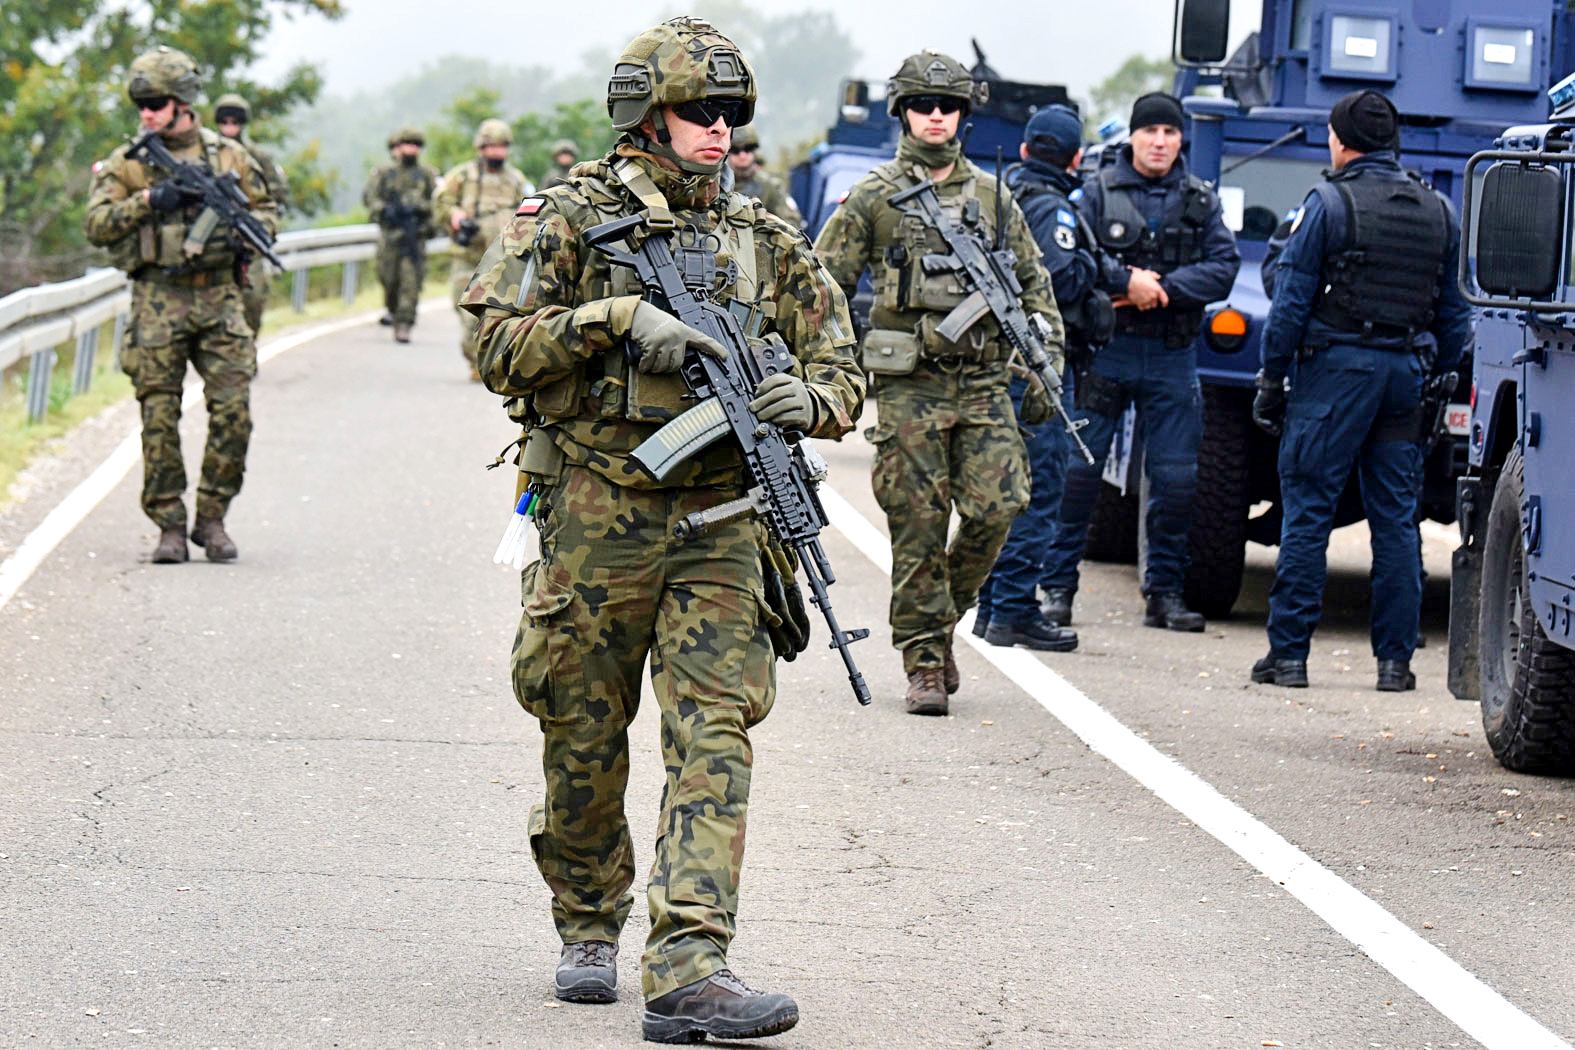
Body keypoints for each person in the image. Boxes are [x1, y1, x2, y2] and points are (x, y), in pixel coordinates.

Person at [460, 17, 862, 1043]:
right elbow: (492, 347)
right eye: (699, 110)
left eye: (733, 112)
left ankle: (690, 964)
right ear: (645, 113)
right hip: (595, 514)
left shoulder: (766, 239)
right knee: (582, 733)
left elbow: (842, 367)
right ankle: (590, 920)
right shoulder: (568, 217)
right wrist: (609, 322)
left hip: (723, 523)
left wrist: (810, 403)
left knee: (714, 733)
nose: (720, 128)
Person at [814, 49, 1063, 714]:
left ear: (962, 115)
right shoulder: (873, 196)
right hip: (909, 387)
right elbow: (821, 289)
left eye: (947, 106)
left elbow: (1033, 287)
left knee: (999, 507)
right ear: (902, 112)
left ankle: (939, 620)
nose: (935, 116)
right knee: (917, 525)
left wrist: (1049, 362)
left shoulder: (993, 197)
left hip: (982, 383)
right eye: (922, 105)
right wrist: (829, 367)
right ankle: (923, 661)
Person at [1249, 89, 1470, 691]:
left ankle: (1288, 656)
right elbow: (1455, 316)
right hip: (1406, 376)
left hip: (1336, 375)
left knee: (1308, 510)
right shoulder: (1439, 210)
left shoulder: (1327, 204)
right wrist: (1434, 374)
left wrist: (1271, 379)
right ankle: (1395, 664)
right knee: (1396, 520)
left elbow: (1290, 303)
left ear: (1341, 142)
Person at [1038, 91, 1240, 634]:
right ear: (1132, 136)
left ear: (1180, 139)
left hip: (1172, 355)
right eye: (1150, 131)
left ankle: (1165, 594)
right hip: (1108, 350)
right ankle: (1056, 589)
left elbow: (1223, 266)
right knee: (1079, 475)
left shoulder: (1200, 198)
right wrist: (1126, 281)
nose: (1159, 141)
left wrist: (1164, 288)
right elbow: (1075, 257)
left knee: (1176, 481)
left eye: (1169, 132)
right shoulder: (1097, 192)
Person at [84, 46, 277, 564]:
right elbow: (96, 225)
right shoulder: (129, 162)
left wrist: (241, 234)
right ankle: (168, 523)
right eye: (141, 105)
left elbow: (267, 211)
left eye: (156, 103)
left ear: (183, 101)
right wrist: (148, 201)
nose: (146, 113)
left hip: (219, 298)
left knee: (233, 410)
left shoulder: (229, 157)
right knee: (159, 415)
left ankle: (211, 519)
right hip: (157, 300)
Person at [976, 103, 1116, 651]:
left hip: (997, 362)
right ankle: (1011, 608)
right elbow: (1056, 279)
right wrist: (1094, 271)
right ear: (1075, 158)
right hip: (1035, 366)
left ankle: (994, 604)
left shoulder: (999, 195)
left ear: (1026, 149)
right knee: (1039, 485)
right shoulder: (1052, 208)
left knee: (1004, 487)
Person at [433, 118, 532, 380]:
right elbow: (442, 204)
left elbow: (531, 211)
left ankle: (492, 362)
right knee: (467, 312)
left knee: (501, 313)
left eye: (502, 146)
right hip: (469, 256)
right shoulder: (463, 176)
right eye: (492, 146)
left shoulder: (516, 179)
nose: (497, 152)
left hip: (503, 258)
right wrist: (455, 216)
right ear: (481, 147)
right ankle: (475, 361)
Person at [213, 93, 288, 338]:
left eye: (235, 121)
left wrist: (257, 220)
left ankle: (247, 346)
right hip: (211, 237)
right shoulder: (207, 153)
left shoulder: (257, 157)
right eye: (224, 121)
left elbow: (277, 194)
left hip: (245, 236)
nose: (229, 127)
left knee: (252, 299)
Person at [362, 127, 436, 343]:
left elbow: (437, 202)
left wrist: (423, 215)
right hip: (390, 236)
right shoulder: (385, 173)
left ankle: (405, 323)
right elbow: (370, 198)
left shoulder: (426, 175)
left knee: (410, 282)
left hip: (415, 236)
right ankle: (393, 311)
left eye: (415, 145)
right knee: (389, 279)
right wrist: (385, 210)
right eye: (406, 144)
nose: (410, 149)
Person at [726, 125, 802, 227]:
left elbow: (792, 224)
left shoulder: (770, 186)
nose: (742, 155)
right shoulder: (718, 184)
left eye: (748, 149)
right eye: (736, 150)